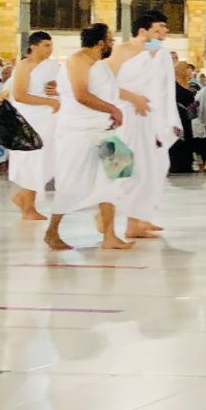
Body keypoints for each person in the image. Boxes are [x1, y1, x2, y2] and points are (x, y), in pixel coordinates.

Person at [44, 22, 130, 253]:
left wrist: (113, 112)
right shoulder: (77, 60)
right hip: (79, 132)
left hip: (106, 131)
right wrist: (112, 109)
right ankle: (52, 231)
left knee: (118, 176)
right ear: (100, 42)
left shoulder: (100, 65)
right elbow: (81, 94)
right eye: (110, 39)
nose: (113, 43)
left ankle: (110, 234)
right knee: (72, 182)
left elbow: (107, 93)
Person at [111, 12, 178, 240]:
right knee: (125, 169)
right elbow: (105, 82)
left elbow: (164, 90)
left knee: (151, 169)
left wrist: (168, 119)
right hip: (125, 116)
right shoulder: (122, 50)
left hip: (149, 119)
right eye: (159, 29)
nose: (164, 33)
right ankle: (109, 216)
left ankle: (139, 218)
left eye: (165, 29)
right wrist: (133, 98)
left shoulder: (160, 54)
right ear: (144, 30)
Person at [6, 31, 60, 222]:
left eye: (51, 45)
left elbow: (61, 87)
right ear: (33, 46)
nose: (50, 49)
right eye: (46, 45)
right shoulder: (24, 65)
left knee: (44, 160)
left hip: (48, 121)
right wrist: (49, 102)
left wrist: (57, 90)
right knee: (32, 160)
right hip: (30, 119)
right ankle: (28, 206)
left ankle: (25, 199)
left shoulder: (53, 66)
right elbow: (20, 95)